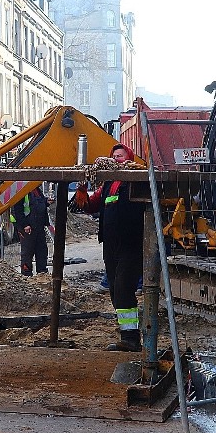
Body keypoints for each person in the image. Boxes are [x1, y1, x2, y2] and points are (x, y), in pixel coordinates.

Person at [75, 143, 145, 352]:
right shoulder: (107, 185)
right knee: (115, 290)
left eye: (121, 156)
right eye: (114, 156)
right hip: (111, 246)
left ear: (129, 159)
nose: (116, 160)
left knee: (124, 288)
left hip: (130, 244)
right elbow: (90, 205)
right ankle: (128, 334)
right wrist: (81, 193)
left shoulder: (135, 181)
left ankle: (131, 338)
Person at [11, 185, 51, 276]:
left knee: (41, 250)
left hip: (39, 226)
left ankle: (42, 274)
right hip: (27, 228)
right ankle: (26, 275)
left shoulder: (36, 190)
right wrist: (25, 225)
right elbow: (17, 209)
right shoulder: (22, 191)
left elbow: (38, 204)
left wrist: (46, 202)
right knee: (27, 252)